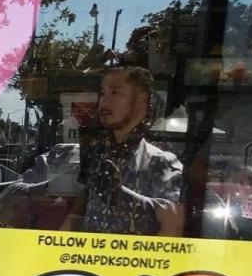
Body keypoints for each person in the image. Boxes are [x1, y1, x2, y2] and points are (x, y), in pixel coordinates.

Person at [63, 66, 185, 236]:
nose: (104, 102)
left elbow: (173, 220)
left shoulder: (160, 161)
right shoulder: (97, 153)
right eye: (103, 94)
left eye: (114, 93)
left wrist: (120, 194)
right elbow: (79, 211)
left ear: (141, 100)